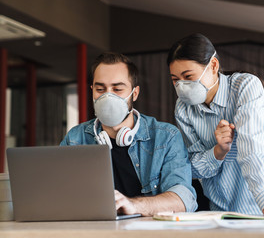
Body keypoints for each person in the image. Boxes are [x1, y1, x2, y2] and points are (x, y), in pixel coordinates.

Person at [167, 33, 264, 215]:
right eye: (176, 80)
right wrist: (218, 151)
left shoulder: (244, 86)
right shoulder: (183, 108)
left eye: (188, 76)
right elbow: (192, 166)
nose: (182, 85)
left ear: (213, 66)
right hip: (218, 210)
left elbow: (253, 146)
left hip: (260, 207)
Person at [60, 52, 197, 216]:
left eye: (117, 89)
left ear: (135, 93)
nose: (107, 96)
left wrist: (134, 205)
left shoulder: (166, 137)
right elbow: (59, 191)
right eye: (100, 89)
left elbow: (182, 200)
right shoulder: (76, 138)